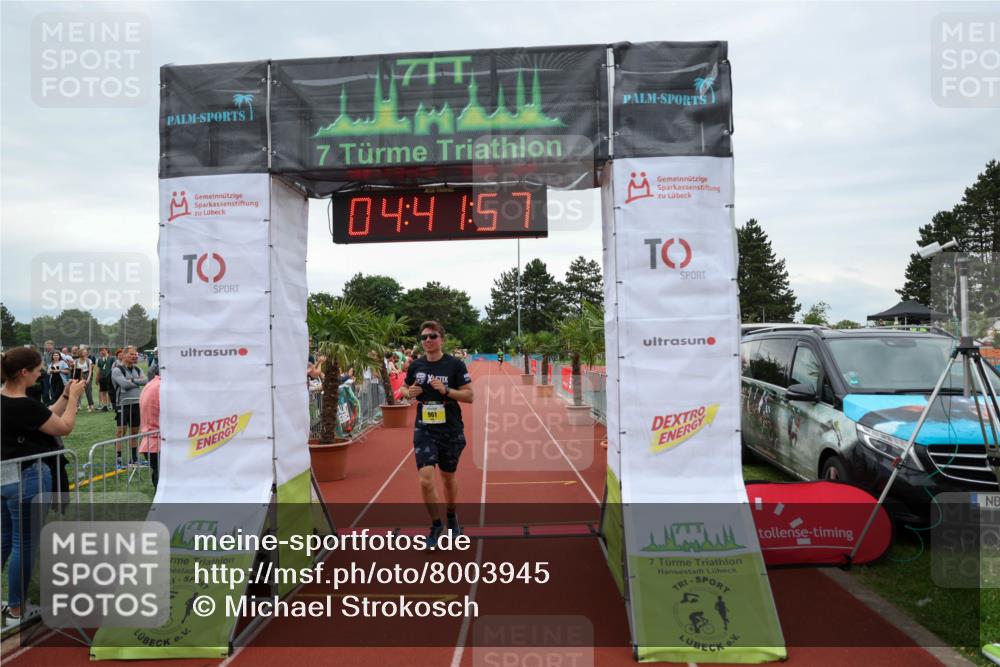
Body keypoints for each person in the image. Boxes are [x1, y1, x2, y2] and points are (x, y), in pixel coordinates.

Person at [1, 349, 85, 622]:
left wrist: (62, 396)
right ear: (23, 372)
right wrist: (73, 399)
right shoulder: (24, 405)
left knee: (5, 541)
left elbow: (43, 416)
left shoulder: (10, 400)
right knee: (24, 545)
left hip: (6, 478)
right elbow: (63, 427)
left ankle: (15, 604)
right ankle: (17, 609)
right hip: (28, 478)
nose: (41, 372)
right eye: (37, 369)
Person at [401, 321, 474, 548]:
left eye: (432, 336)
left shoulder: (455, 365)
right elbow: (403, 389)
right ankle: (435, 524)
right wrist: (408, 392)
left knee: (448, 477)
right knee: (425, 478)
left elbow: (470, 396)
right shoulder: (416, 365)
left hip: (451, 428)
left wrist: (446, 391)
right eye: (424, 338)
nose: (428, 341)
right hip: (424, 427)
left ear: (442, 338)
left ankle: (451, 516)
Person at [111, 349, 147, 468]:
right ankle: (119, 459)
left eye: (135, 354)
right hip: (123, 404)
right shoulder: (117, 369)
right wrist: (137, 382)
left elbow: (146, 381)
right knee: (121, 432)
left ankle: (134, 459)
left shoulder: (137, 369)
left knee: (134, 432)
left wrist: (131, 380)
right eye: (131, 354)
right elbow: (124, 384)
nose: (134, 356)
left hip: (137, 404)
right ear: (124, 355)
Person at [138, 374, 161, 489]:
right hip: (157, 441)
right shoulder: (162, 387)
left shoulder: (151, 384)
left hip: (150, 440)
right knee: (161, 477)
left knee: (158, 474)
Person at [75, 348, 95, 412]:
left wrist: (88, 378)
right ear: (80, 353)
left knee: (88, 391)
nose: (86, 353)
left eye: (86, 352)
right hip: (79, 376)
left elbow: (90, 371)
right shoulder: (76, 361)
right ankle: (76, 406)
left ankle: (91, 405)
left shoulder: (89, 360)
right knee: (78, 392)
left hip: (87, 375)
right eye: (84, 352)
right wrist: (74, 379)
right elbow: (75, 371)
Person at [96, 347, 114, 412]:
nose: (102, 352)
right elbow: (98, 369)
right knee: (103, 392)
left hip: (109, 377)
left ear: (107, 350)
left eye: (103, 350)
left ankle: (110, 404)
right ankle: (105, 405)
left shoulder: (112, 358)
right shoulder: (100, 359)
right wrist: (97, 378)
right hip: (102, 377)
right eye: (101, 351)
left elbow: (114, 368)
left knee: (109, 391)